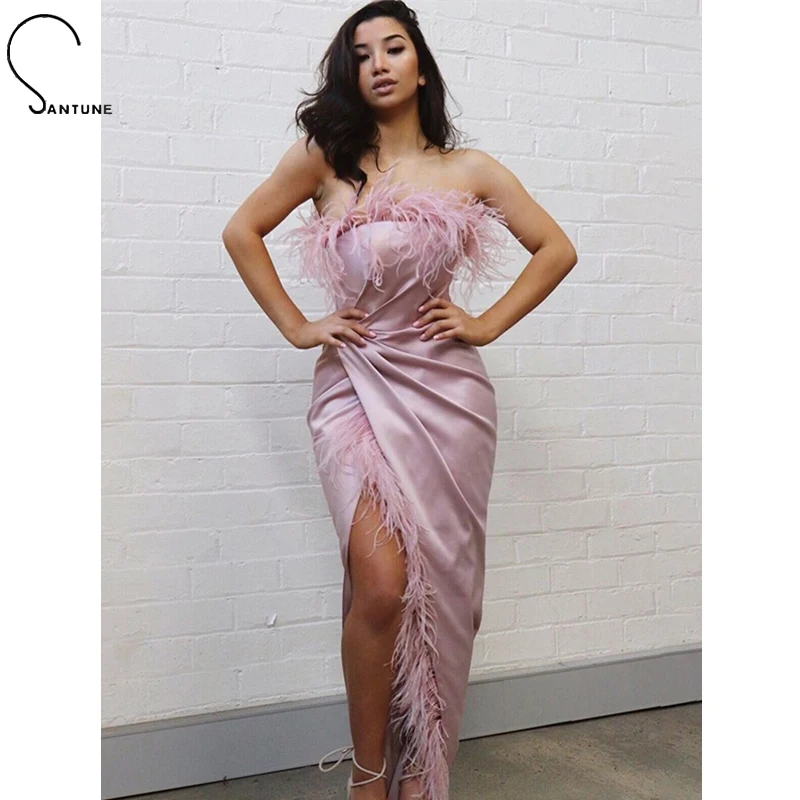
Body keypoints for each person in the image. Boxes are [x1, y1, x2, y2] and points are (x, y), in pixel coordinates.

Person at [222, 3, 577, 798]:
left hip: (450, 401)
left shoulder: (470, 169)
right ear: (350, 73)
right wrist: (298, 326)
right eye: (362, 54)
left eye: (394, 47)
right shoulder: (324, 160)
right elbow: (242, 231)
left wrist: (485, 322)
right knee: (381, 583)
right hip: (354, 386)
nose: (379, 62)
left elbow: (556, 248)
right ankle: (368, 773)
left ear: (420, 67)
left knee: (442, 588)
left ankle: (422, 767)